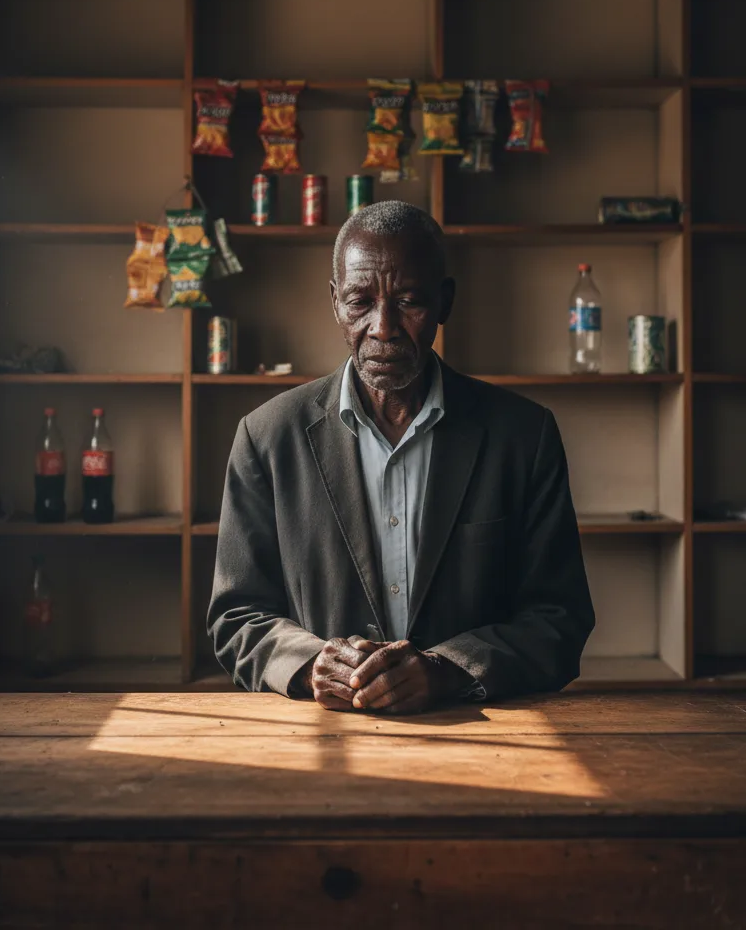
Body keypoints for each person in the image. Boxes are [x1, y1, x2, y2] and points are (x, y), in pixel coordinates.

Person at [207, 201, 594, 714]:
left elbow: (559, 619)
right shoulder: (266, 437)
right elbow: (237, 616)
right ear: (335, 303)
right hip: (323, 739)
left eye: (408, 301)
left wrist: (450, 670)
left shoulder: (523, 436)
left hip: (482, 739)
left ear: (444, 302)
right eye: (360, 302)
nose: (383, 327)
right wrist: (308, 664)